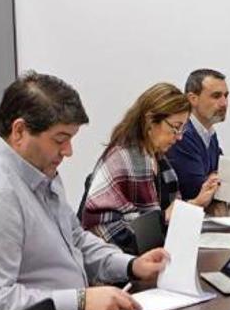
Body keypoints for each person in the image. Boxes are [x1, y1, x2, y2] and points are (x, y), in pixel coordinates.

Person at [0, 72, 168, 310]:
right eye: (60, 139)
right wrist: (80, 302)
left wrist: (131, 265)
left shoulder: (38, 170)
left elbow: (76, 238)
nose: (68, 152)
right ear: (19, 131)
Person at [82, 83, 218, 253]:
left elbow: (162, 216)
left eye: (182, 129)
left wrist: (196, 203)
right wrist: (165, 217)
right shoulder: (129, 159)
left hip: (137, 255)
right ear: (150, 121)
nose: (179, 137)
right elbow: (119, 234)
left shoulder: (157, 158)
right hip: (114, 258)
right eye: (175, 128)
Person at [166, 69, 228, 201]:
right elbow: (196, 190)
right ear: (193, 99)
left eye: (226, 96)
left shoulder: (209, 133)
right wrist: (215, 179)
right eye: (216, 96)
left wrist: (215, 178)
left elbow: (225, 176)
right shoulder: (181, 135)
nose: (224, 103)